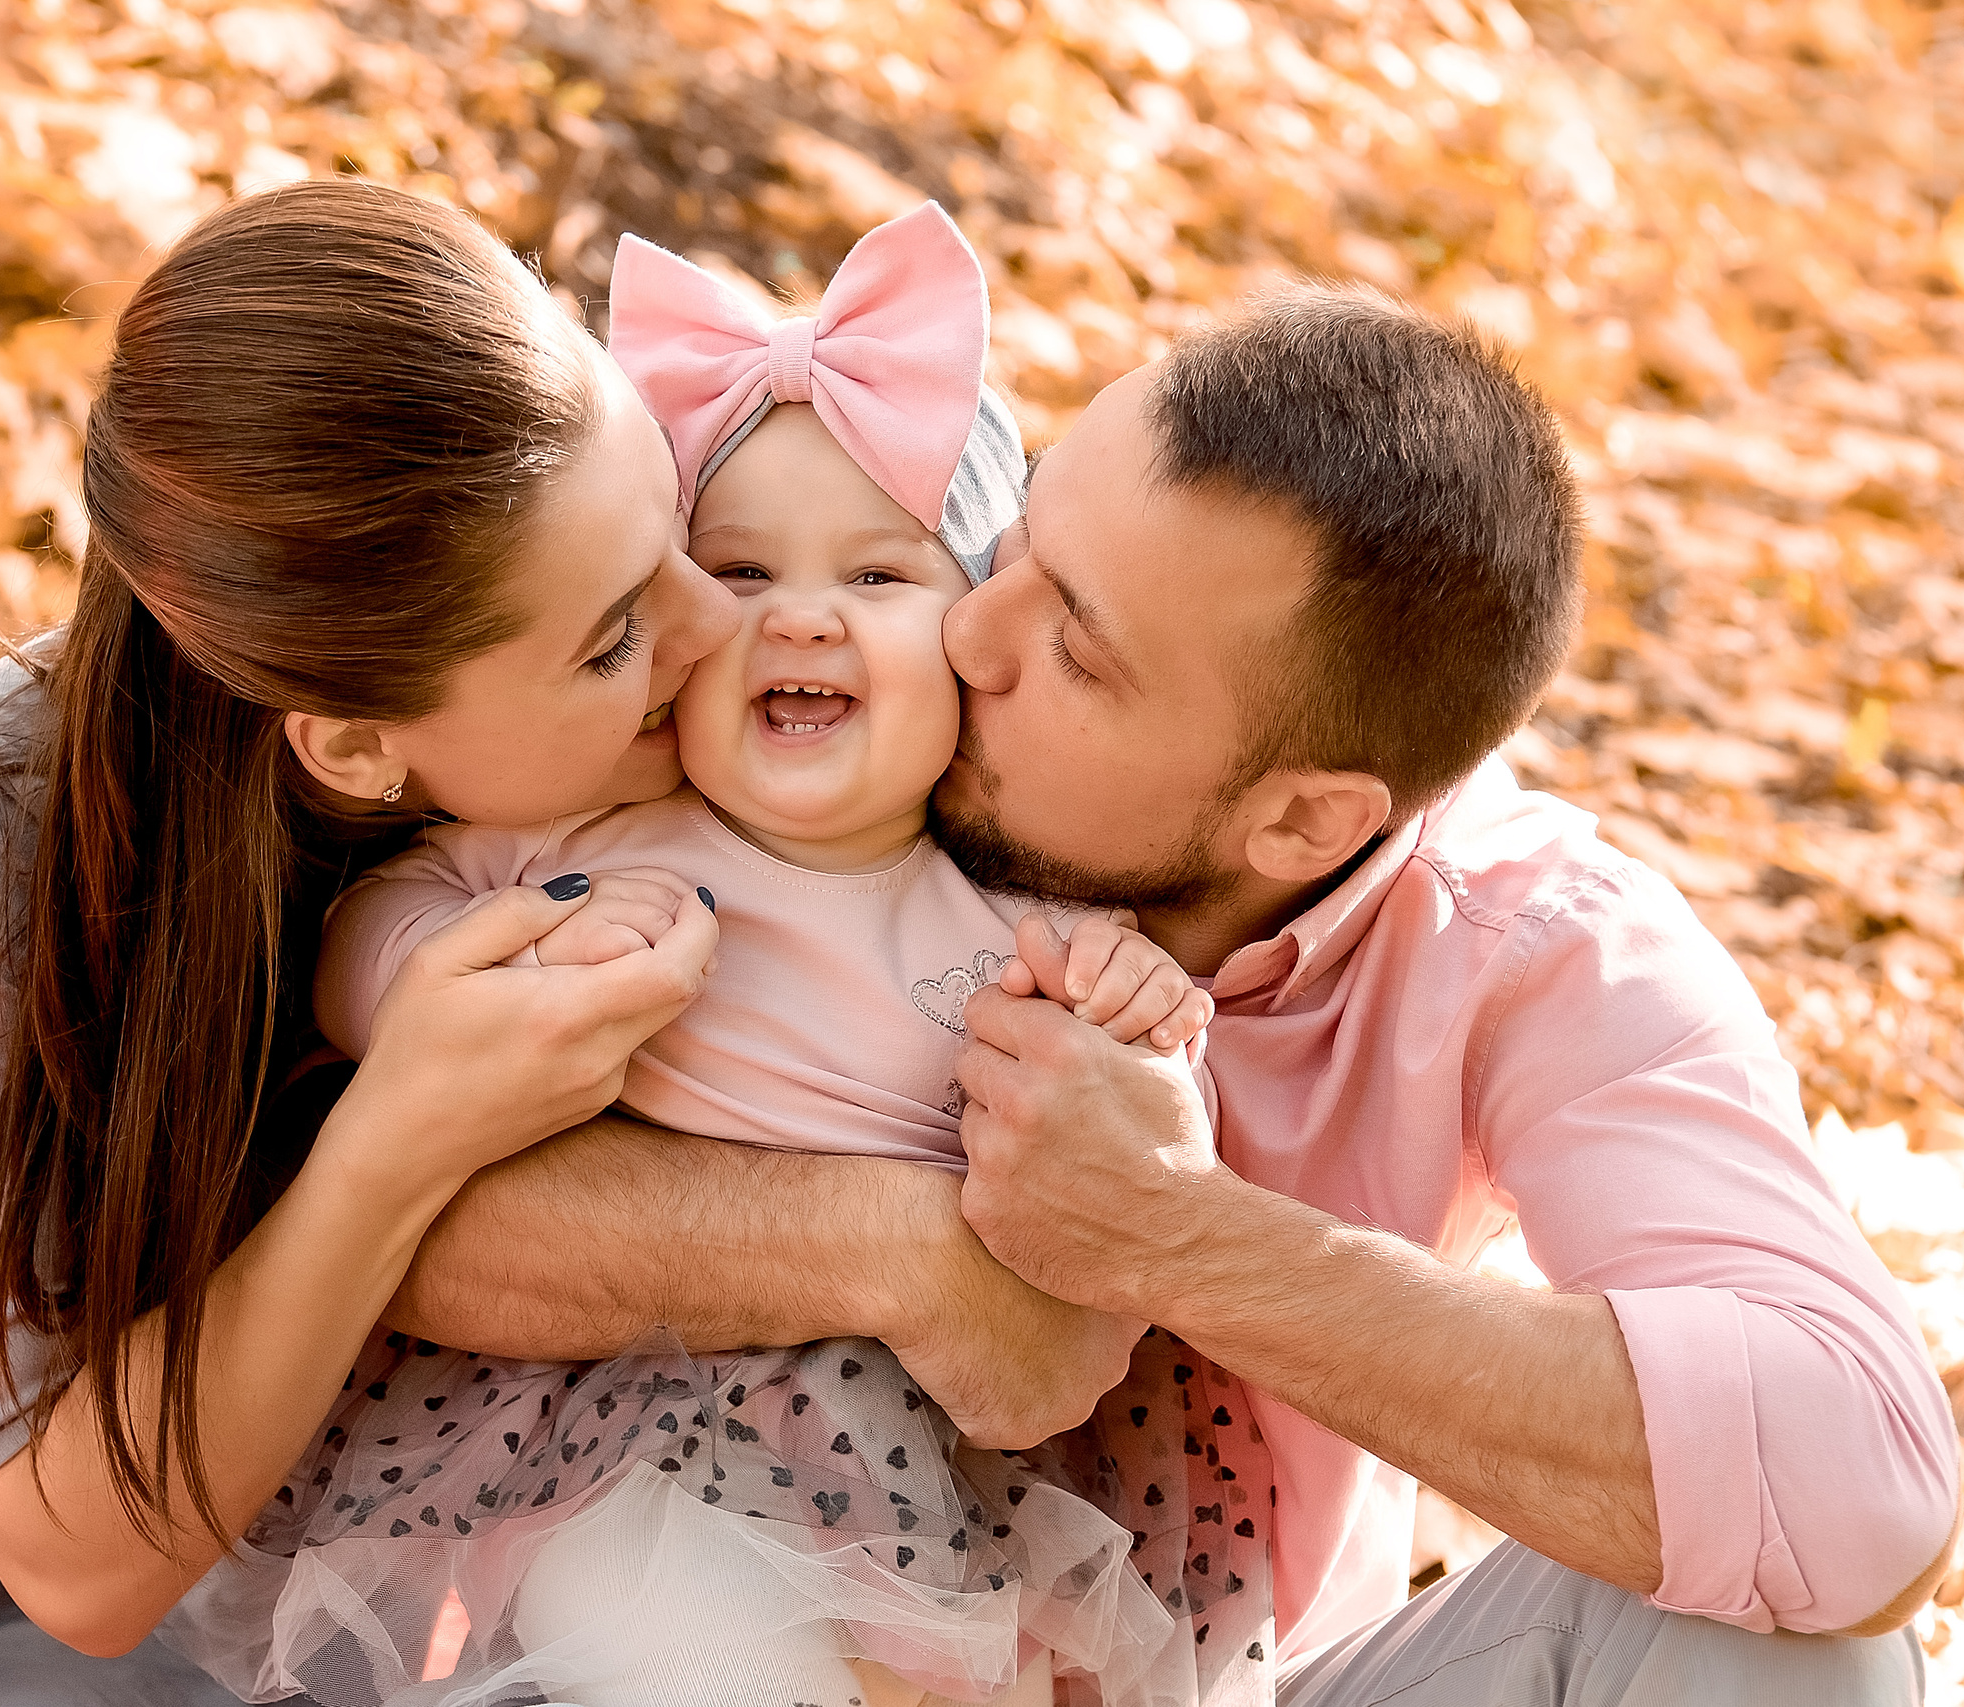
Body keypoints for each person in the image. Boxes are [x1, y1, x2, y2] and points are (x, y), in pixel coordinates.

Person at [0, 179, 1098, 1706]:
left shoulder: (768, 679)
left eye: (676, 528)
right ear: (353, 749)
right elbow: (76, 1555)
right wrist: (400, 1133)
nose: (712, 624)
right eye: (617, 632)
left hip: (367, 1494)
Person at [358, 288, 1963, 1706]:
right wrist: (901, 1254)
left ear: (1305, 821)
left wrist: (1174, 1236)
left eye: (1079, 648)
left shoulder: (1532, 943)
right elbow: (351, 1185)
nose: (970, 628)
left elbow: (1864, 1492)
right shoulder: (775, 739)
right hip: (704, 1618)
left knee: (1792, 1652)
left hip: (1182, 1672)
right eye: (1019, 539)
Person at [166, 205, 1263, 1707]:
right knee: (688, 1639)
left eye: (880, 582)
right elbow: (370, 935)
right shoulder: (601, 840)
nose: (799, 616)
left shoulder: (1016, 916)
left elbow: (1144, 1140)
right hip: (619, 1415)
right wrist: (481, 969)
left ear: (975, 641)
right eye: (735, 574)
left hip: (935, 1441)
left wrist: (1150, 1026)